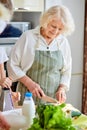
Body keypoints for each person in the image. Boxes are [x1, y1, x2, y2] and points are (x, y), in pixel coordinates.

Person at [7, 5, 75, 105]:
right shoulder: (28, 37)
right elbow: (12, 64)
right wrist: (29, 83)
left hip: (52, 100)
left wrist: (62, 89)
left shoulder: (63, 42)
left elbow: (66, 71)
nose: (55, 32)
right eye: (53, 26)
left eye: (60, 29)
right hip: (28, 97)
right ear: (45, 21)